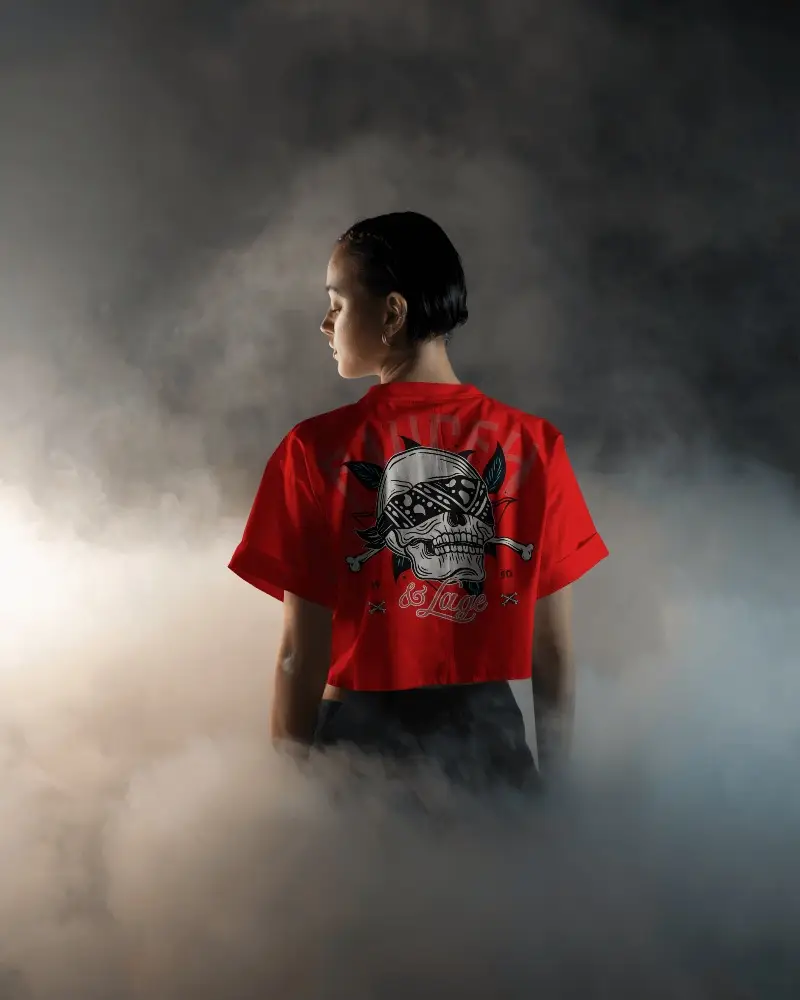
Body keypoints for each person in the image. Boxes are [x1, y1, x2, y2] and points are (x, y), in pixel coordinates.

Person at [229, 211, 608, 792]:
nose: (325, 324)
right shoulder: (534, 445)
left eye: (338, 302)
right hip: (491, 755)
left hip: (358, 754)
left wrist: (287, 803)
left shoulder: (316, 450)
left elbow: (298, 658)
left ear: (392, 312)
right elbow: (552, 650)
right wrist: (555, 788)